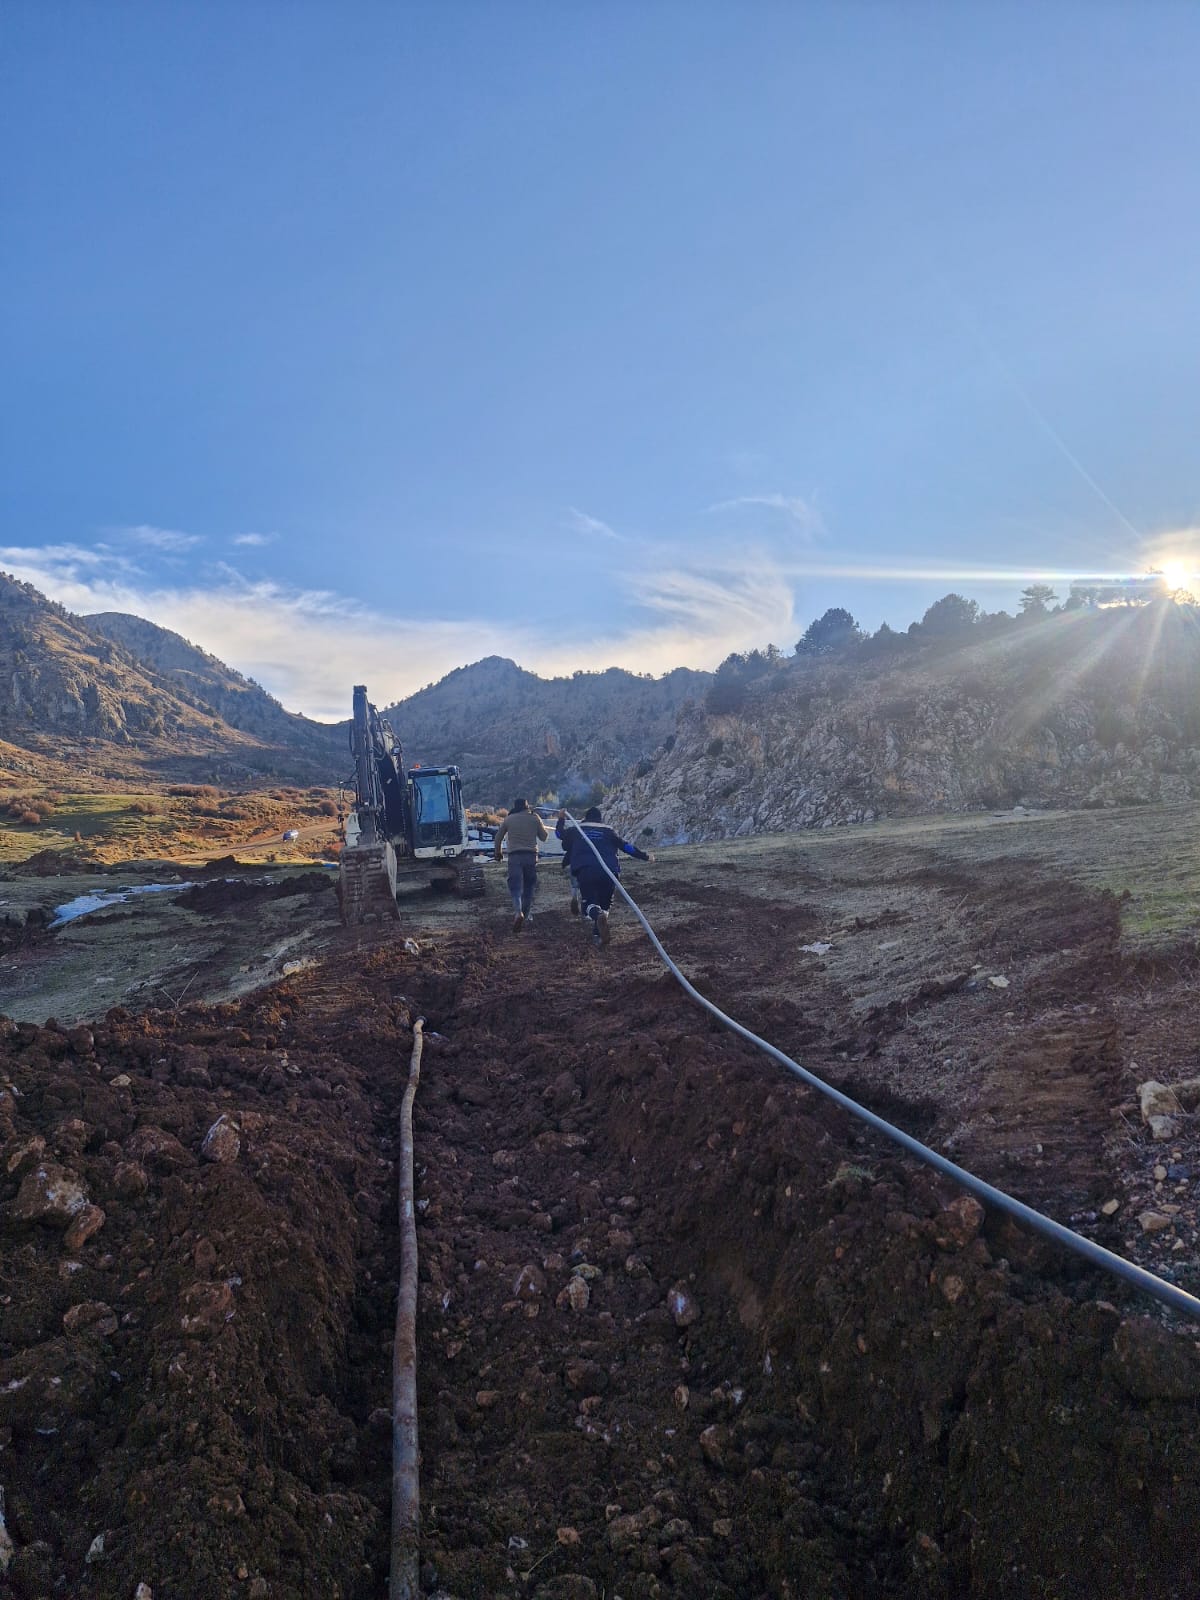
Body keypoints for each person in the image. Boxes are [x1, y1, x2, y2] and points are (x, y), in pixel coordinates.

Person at [557, 805, 653, 947]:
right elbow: (626, 847)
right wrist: (645, 856)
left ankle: (597, 917)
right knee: (605, 904)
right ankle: (598, 935)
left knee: (589, 904)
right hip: (609, 871)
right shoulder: (609, 831)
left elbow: (559, 834)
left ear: (585, 818)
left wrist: (561, 818)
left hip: (586, 870)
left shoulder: (576, 830)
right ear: (600, 819)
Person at [493, 798, 549, 931]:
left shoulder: (509, 819)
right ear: (527, 806)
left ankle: (518, 912)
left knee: (516, 887)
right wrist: (539, 824)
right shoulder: (534, 818)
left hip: (514, 857)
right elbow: (544, 837)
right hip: (530, 856)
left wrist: (498, 853)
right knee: (529, 886)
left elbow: (498, 838)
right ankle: (527, 913)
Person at [556, 811, 584, 914]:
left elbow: (559, 833)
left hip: (574, 860)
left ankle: (574, 896)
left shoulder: (573, 830)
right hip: (590, 861)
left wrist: (561, 819)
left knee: (574, 884)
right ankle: (585, 905)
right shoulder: (597, 831)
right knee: (586, 884)